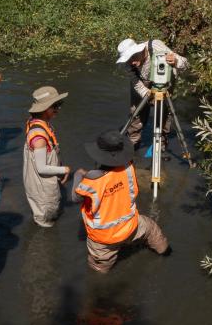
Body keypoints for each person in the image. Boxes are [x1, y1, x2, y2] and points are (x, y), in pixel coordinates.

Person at [72, 130, 170, 273]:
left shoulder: (91, 181)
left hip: (103, 239)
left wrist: (78, 174)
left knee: (99, 266)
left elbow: (75, 198)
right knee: (151, 228)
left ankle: (99, 279)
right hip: (131, 227)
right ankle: (166, 253)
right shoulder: (129, 169)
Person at [116, 38, 188, 152]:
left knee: (164, 114)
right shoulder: (126, 64)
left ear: (139, 50)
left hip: (165, 82)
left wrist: (175, 61)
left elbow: (185, 63)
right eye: (128, 59)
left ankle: (161, 146)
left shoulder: (155, 46)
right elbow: (136, 83)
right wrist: (147, 95)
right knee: (136, 113)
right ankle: (132, 146)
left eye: (133, 57)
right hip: (141, 82)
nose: (132, 62)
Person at [23, 86, 71, 228]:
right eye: (55, 106)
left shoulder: (36, 122)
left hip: (38, 183)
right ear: (45, 109)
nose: (58, 109)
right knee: (46, 222)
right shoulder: (39, 138)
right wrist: (65, 170)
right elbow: (42, 168)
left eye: (59, 105)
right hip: (42, 188)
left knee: (42, 215)